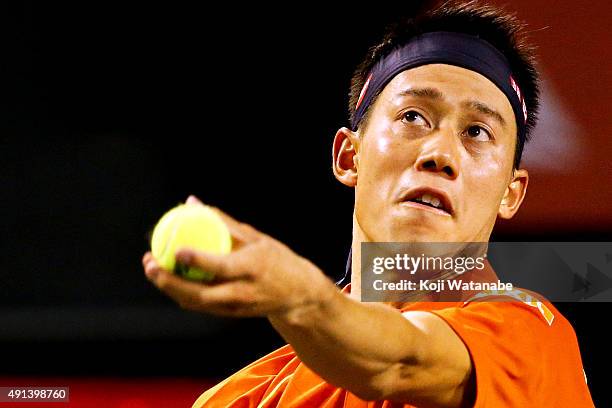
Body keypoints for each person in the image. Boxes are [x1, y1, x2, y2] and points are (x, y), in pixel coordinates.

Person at [142, 1, 595, 406]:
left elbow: (399, 365)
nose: (440, 154)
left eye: (477, 132)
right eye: (413, 117)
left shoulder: (532, 338)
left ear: (510, 193)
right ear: (348, 156)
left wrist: (297, 294)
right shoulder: (243, 397)